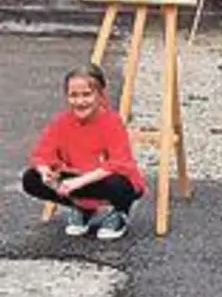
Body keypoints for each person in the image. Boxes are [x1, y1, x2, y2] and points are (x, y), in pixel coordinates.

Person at [22, 65, 144, 240]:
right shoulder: (61, 122)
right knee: (30, 178)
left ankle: (120, 212)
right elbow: (42, 154)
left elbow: (118, 163)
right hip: (77, 178)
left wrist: (78, 182)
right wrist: (44, 171)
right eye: (74, 95)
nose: (80, 101)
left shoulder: (111, 122)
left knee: (117, 183)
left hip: (108, 181)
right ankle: (83, 207)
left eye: (86, 94)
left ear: (100, 95)